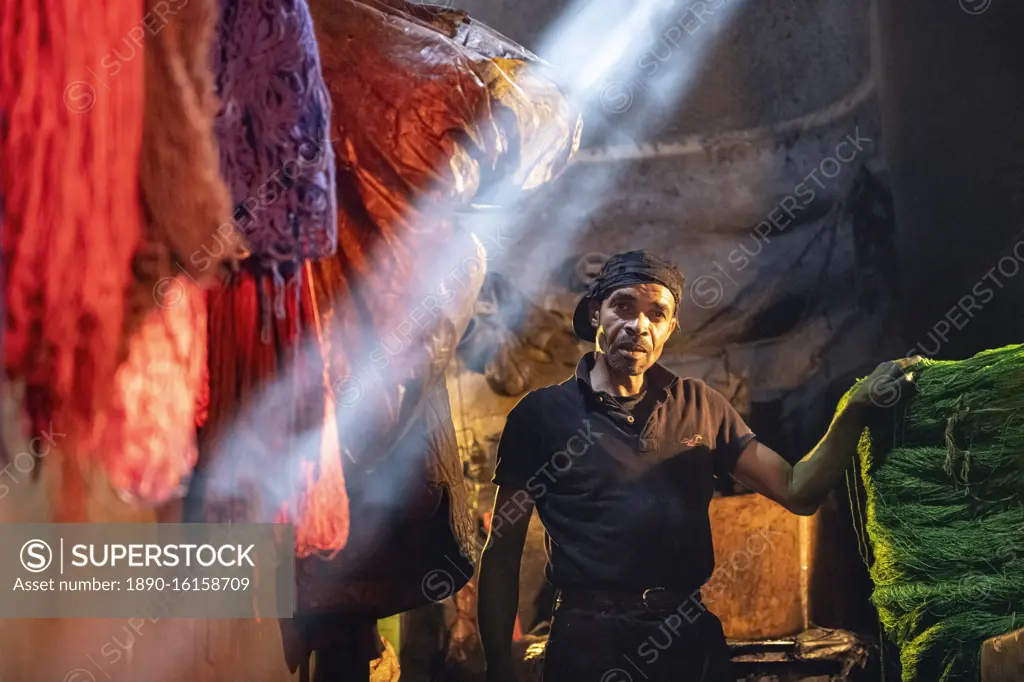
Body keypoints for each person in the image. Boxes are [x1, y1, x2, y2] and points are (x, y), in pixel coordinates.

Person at [476, 250, 918, 682]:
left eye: (656, 314)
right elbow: (500, 554)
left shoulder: (700, 406)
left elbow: (799, 491)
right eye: (623, 306)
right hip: (591, 640)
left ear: (670, 327)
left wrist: (854, 411)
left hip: (685, 638)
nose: (638, 326)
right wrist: (497, 667)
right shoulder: (540, 415)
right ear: (596, 314)